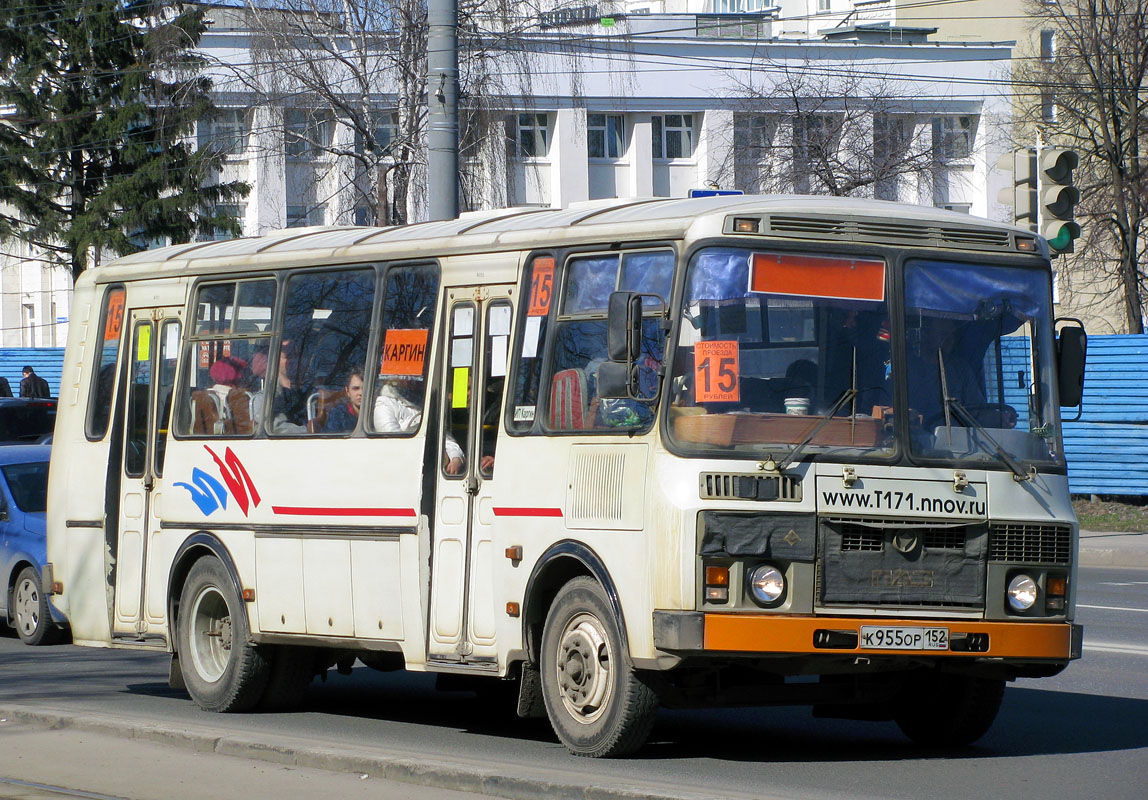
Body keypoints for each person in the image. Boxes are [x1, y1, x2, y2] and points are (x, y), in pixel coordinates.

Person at [374, 378, 465, 473]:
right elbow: (393, 443)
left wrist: (456, 458)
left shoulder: (427, 399)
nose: (413, 380)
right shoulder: (384, 403)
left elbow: (445, 438)